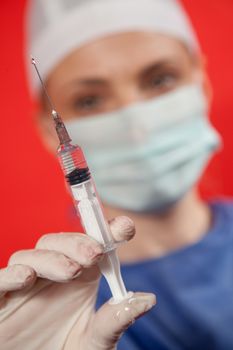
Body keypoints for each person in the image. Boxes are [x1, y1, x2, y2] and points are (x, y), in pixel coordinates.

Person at [1, 0, 233, 349]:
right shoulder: (50, 312)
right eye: (89, 101)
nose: (137, 127)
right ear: (51, 133)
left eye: (160, 79)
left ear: (201, 82)